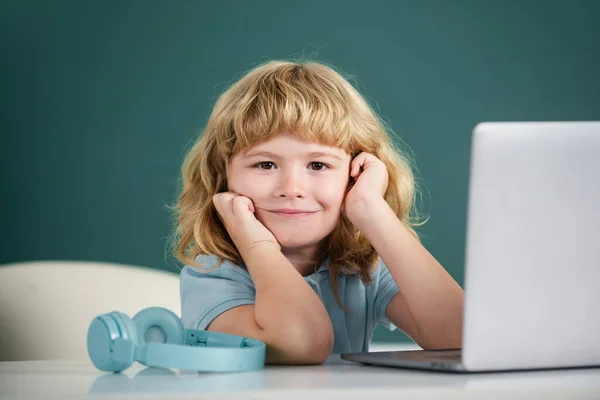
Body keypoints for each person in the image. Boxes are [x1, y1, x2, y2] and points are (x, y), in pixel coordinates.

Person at [173, 60, 464, 365]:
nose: (291, 188)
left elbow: (461, 339)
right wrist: (257, 245)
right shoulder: (212, 277)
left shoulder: (361, 269)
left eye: (317, 165)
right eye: (265, 164)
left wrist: (370, 210)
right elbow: (300, 342)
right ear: (223, 176)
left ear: (355, 175)